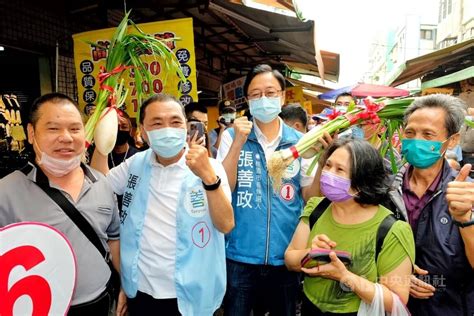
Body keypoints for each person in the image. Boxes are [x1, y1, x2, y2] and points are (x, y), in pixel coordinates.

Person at [91, 93, 234, 315]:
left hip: (190, 295)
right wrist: (102, 136)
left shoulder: (210, 167)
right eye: (157, 123)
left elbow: (226, 225)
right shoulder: (136, 164)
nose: (167, 129)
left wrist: (207, 176)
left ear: (186, 126)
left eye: (175, 122)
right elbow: (100, 185)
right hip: (141, 291)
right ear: (143, 130)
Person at [0, 93, 120, 315]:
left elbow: (113, 238)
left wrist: (125, 286)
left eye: (75, 129)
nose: (66, 137)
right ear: (31, 133)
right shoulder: (6, 191)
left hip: (102, 303)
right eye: (53, 129)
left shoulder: (102, 183)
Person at [217, 64, 317, 315]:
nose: (264, 99)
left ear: (282, 96)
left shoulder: (300, 142)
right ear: (247, 100)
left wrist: (323, 159)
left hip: (285, 257)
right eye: (256, 94)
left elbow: (309, 197)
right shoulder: (231, 136)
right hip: (239, 256)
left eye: (271, 93)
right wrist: (239, 142)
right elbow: (224, 189)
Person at [285, 138, 415, 315]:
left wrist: (345, 276)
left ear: (363, 180)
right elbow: (290, 259)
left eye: (340, 170)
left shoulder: (391, 229)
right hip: (311, 307)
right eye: (328, 165)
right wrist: (311, 254)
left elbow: (396, 300)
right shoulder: (316, 207)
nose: (328, 174)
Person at [387, 94, 474, 315]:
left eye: (428, 135)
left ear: (452, 140)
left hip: (450, 306)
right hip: (393, 304)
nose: (417, 141)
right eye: (410, 133)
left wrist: (465, 220)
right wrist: (399, 276)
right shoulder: (386, 189)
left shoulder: (466, 192)